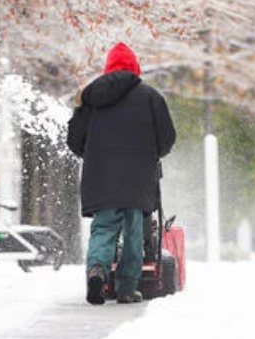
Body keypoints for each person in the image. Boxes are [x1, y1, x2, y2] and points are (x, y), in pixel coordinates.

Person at [66, 42, 176, 305]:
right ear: (136, 68)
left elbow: (73, 138)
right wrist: (152, 154)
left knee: (103, 228)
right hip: (138, 179)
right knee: (134, 232)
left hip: (101, 177)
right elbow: (167, 138)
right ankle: (127, 288)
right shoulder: (151, 97)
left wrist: (93, 156)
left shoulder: (90, 97)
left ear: (107, 68)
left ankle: (97, 270)